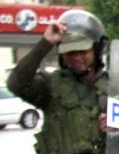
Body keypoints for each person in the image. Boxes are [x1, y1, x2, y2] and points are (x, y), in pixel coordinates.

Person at [6, 9, 109, 154]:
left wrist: (118, 128)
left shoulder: (115, 88)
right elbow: (16, 83)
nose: (77, 58)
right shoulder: (51, 86)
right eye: (70, 52)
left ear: (96, 50)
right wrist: (46, 42)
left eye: (83, 51)